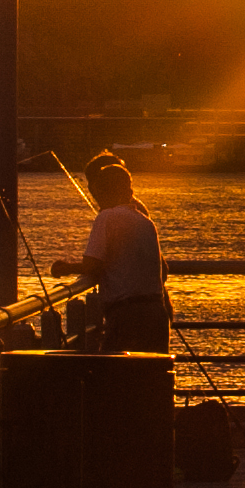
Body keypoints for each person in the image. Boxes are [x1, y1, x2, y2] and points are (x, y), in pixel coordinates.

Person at [71, 151, 172, 355]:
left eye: (95, 185)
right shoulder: (144, 219)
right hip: (155, 311)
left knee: (114, 374)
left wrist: (64, 268)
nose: (92, 191)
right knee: (152, 376)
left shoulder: (108, 217)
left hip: (127, 313)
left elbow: (93, 264)